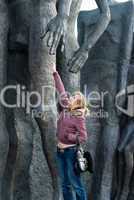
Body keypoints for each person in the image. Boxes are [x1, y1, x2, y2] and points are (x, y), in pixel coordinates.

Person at [50, 63, 88, 200]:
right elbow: (61, 90)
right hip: (60, 151)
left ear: (77, 103)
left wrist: (69, 136)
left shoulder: (79, 116)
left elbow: (83, 137)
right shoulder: (66, 108)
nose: (70, 98)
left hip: (71, 153)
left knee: (76, 184)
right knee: (65, 184)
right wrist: (55, 73)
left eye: (73, 98)